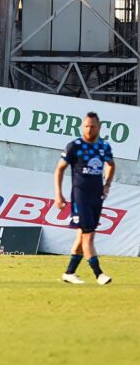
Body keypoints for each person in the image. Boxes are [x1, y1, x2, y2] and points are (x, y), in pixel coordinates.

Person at [55, 112, 115, 285]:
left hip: (97, 197)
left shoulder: (104, 147)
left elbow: (111, 164)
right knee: (88, 236)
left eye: (93, 126)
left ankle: (69, 272)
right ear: (83, 126)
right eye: (87, 126)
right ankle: (99, 275)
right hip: (80, 198)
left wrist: (107, 184)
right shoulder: (75, 146)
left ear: (99, 127)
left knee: (82, 236)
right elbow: (59, 169)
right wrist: (58, 194)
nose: (89, 129)